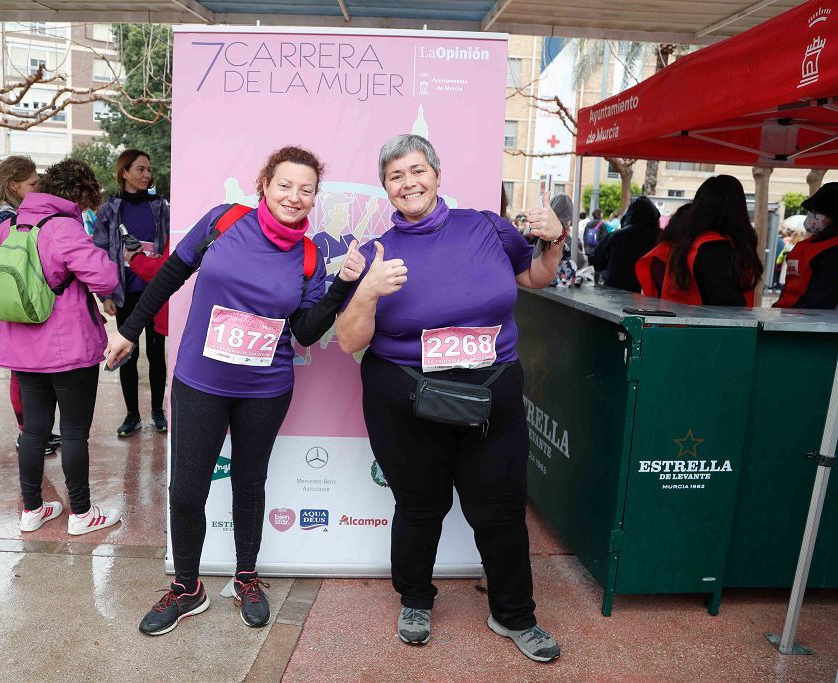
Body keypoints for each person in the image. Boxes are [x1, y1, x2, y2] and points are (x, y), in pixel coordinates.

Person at [104, 146, 365, 636]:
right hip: (201, 381)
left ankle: (246, 576)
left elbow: (305, 332)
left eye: (306, 190)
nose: (295, 196)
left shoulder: (309, 256)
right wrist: (130, 330)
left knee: (248, 484)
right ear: (264, 183)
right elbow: (170, 275)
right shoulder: (225, 221)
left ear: (313, 199)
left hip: (264, 388)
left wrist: (340, 286)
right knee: (186, 491)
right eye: (285, 184)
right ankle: (187, 588)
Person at [335, 134, 562, 662]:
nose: (408, 183)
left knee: (502, 509)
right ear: (385, 189)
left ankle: (514, 614)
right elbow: (348, 341)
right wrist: (368, 290)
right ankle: (415, 599)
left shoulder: (483, 225)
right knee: (419, 505)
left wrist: (554, 241)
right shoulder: (375, 252)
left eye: (417, 171)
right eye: (395, 176)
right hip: (406, 398)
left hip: (492, 394)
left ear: (437, 175)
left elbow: (535, 277)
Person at [0, 158, 122, 536]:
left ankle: (32, 508)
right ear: (79, 195)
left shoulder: (10, 225)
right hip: (67, 347)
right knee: (75, 432)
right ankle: (81, 513)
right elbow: (105, 277)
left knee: (33, 432)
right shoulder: (62, 227)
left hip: (21, 346)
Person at [0, 157, 58, 456]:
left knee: (27, 371)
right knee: (21, 372)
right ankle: (27, 433)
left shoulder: (7, 213)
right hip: (14, 302)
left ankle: (35, 430)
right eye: (32, 185)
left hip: (14, 299)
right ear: (13, 185)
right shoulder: (5, 218)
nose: (37, 190)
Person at [93, 149, 171, 437]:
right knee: (125, 352)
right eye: (140, 169)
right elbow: (99, 252)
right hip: (125, 293)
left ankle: (158, 413)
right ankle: (131, 415)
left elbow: (171, 246)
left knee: (156, 353)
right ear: (124, 172)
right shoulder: (110, 210)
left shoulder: (161, 206)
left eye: (148, 169)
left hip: (156, 289)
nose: (146, 175)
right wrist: (105, 295)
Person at [636, 175, 762, 306]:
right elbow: (728, 306)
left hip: (677, 322)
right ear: (738, 209)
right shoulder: (716, 248)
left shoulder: (686, 244)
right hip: (711, 324)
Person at [775, 182, 838, 309]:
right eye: (812, 211)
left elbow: (820, 299)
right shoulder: (811, 244)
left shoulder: (833, 252)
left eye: (818, 212)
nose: (811, 215)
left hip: (811, 322)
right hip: (791, 316)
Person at [590, 196, 661, 293]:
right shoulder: (661, 238)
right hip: (648, 295)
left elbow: (596, 261)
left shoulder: (616, 235)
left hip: (614, 292)